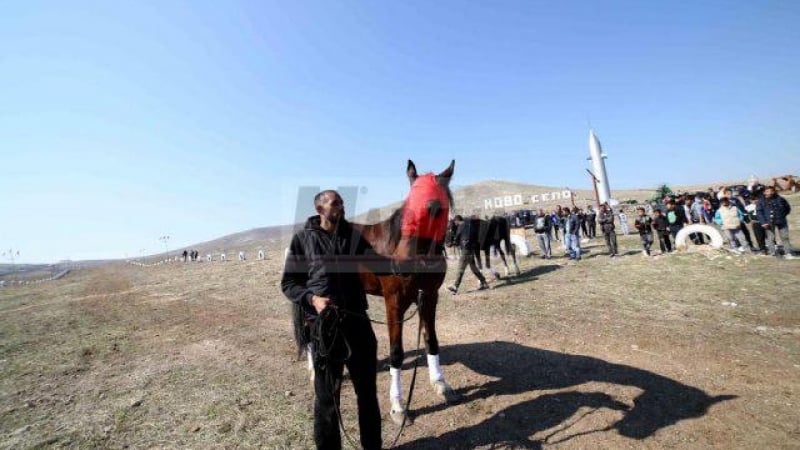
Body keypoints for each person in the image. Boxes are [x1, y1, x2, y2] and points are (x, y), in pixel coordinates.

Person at [281, 190, 396, 450]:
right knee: (327, 399)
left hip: (358, 324)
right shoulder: (303, 240)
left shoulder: (352, 236)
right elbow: (288, 283)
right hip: (325, 329)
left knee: (367, 394)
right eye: (335, 203)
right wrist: (312, 299)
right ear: (320, 209)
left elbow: (377, 264)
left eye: (342, 202)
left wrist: (405, 264)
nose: (341, 206)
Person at [447, 215, 489, 294]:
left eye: (455, 222)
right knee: (473, 268)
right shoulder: (469, 225)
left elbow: (458, 239)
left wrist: (451, 244)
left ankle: (455, 286)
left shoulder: (461, 226)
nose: (455, 224)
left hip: (466, 250)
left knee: (461, 268)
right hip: (471, 249)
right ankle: (484, 282)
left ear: (457, 220)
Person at [757, 185, 794, 258]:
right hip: (769, 222)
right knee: (771, 238)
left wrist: (782, 215)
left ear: (773, 192)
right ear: (764, 192)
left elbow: (787, 208)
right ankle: (772, 253)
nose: (768, 193)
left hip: (781, 221)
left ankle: (787, 253)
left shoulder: (780, 199)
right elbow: (759, 212)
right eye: (766, 191)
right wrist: (763, 222)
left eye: (770, 191)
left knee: (785, 237)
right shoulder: (761, 201)